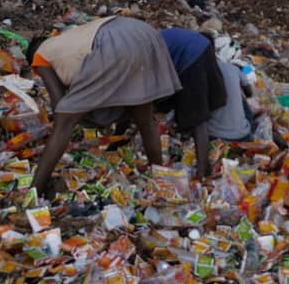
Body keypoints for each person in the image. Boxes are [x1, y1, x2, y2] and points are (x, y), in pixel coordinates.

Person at [26, 16, 180, 194]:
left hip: (112, 41)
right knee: (144, 117)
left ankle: (35, 189)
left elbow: (59, 103)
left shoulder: (40, 56)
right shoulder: (69, 39)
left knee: (64, 121)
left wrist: (62, 126)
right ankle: (159, 177)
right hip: (142, 32)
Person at [157, 28, 228, 179]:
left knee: (197, 118)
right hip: (198, 46)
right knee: (196, 104)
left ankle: (203, 171)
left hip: (188, 54)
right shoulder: (232, 67)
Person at [207, 60, 255, 143]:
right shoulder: (233, 68)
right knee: (240, 97)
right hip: (243, 135)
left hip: (213, 136)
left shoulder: (200, 70)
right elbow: (249, 93)